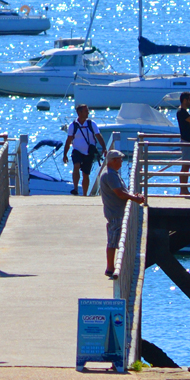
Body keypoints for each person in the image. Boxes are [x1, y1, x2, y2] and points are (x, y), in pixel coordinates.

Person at [99, 149, 146, 277]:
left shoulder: (114, 174)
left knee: (117, 240)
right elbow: (119, 193)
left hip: (117, 212)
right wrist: (135, 199)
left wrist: (133, 195)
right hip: (115, 213)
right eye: (119, 159)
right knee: (113, 241)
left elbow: (123, 191)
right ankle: (110, 268)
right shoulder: (110, 175)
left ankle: (113, 267)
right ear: (113, 161)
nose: (121, 161)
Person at [62, 104, 105, 196]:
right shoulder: (73, 125)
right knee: (76, 165)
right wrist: (65, 154)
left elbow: (98, 136)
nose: (88, 113)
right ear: (79, 112)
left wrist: (104, 148)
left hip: (89, 152)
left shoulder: (91, 124)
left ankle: (85, 194)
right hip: (77, 150)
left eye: (87, 110)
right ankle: (76, 189)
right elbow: (68, 140)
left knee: (86, 174)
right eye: (86, 111)